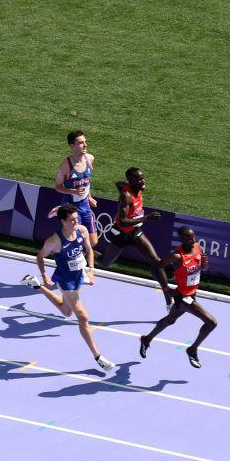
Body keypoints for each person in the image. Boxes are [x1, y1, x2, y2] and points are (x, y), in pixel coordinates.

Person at [22, 204, 115, 373]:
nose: (75, 222)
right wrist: (45, 275)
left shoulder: (82, 231)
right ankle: (98, 357)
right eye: (72, 220)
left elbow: (89, 250)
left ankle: (36, 286)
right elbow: (40, 257)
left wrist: (91, 272)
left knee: (66, 311)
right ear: (63, 221)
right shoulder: (54, 241)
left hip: (79, 276)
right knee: (83, 317)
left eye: (76, 218)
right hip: (66, 281)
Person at [140, 227, 218, 368]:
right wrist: (165, 288)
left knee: (170, 320)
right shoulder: (176, 256)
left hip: (192, 293)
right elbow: (156, 267)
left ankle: (146, 339)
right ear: (182, 240)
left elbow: (202, 268)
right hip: (183, 297)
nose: (193, 240)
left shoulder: (197, 248)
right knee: (211, 323)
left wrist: (205, 264)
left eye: (193, 237)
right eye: (189, 238)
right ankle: (192, 349)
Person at [98, 167, 173, 309]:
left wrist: (121, 187)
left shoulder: (138, 189)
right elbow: (123, 221)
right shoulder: (126, 196)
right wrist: (147, 218)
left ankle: (168, 297)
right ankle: (84, 251)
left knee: (156, 262)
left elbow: (119, 183)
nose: (143, 181)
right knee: (104, 263)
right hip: (120, 234)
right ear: (131, 181)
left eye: (143, 178)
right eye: (139, 180)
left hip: (135, 232)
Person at [54, 130, 98, 245]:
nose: (85, 145)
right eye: (81, 143)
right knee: (75, 239)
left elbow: (86, 182)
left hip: (85, 205)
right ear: (72, 145)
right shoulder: (66, 166)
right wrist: (74, 191)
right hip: (71, 208)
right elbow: (58, 186)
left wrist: (89, 196)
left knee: (93, 242)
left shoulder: (90, 158)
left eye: (85, 142)